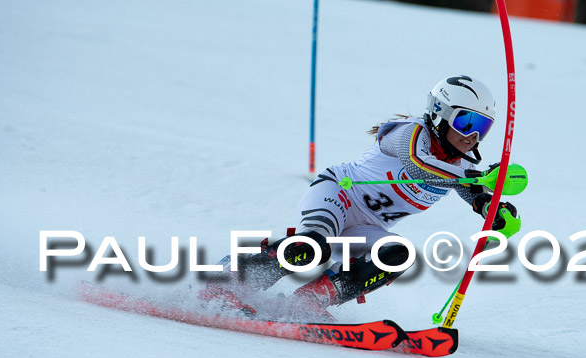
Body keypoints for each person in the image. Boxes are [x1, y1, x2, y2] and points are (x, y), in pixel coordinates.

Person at [218, 75, 521, 316]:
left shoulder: (464, 166)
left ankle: (309, 301)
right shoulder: (410, 133)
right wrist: (477, 179)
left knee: (397, 255)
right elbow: (419, 166)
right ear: (440, 113)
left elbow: (476, 194)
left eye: (483, 127)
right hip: (338, 195)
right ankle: (229, 282)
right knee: (311, 247)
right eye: (466, 122)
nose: (473, 136)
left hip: (368, 226)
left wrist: (493, 210)